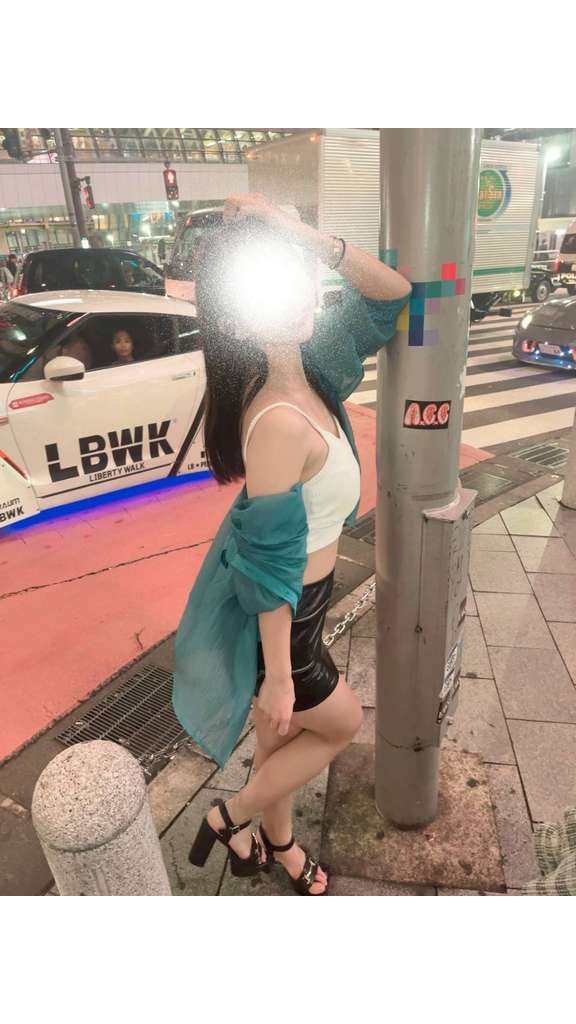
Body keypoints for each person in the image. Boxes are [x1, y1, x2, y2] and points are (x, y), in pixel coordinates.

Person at [173, 193, 411, 894]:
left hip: (305, 602)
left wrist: (296, 232)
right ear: (239, 315)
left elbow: (391, 295)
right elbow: (266, 565)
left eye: (292, 274)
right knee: (340, 723)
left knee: (279, 740)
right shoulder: (277, 418)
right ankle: (228, 817)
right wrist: (278, 676)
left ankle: (278, 844)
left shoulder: (313, 365)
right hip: (284, 619)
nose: (296, 296)